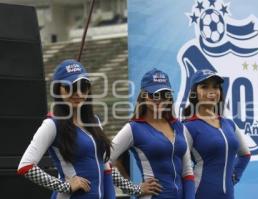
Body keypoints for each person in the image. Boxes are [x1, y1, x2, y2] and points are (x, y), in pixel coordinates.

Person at [17, 59, 115, 199]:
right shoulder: (52, 125)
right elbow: (25, 167)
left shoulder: (95, 122)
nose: (78, 93)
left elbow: (106, 169)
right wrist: (65, 186)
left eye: (83, 86)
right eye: (71, 87)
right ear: (58, 90)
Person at [110, 68, 195, 199]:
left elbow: (187, 172)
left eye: (164, 94)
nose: (159, 99)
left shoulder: (179, 126)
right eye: (153, 94)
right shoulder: (133, 128)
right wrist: (133, 189)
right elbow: (102, 160)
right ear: (143, 95)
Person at [183, 69, 251, 199]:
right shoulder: (188, 127)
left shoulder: (229, 124)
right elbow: (182, 169)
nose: (212, 91)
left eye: (215, 87)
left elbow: (245, 155)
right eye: (204, 87)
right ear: (194, 93)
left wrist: (235, 176)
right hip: (200, 194)